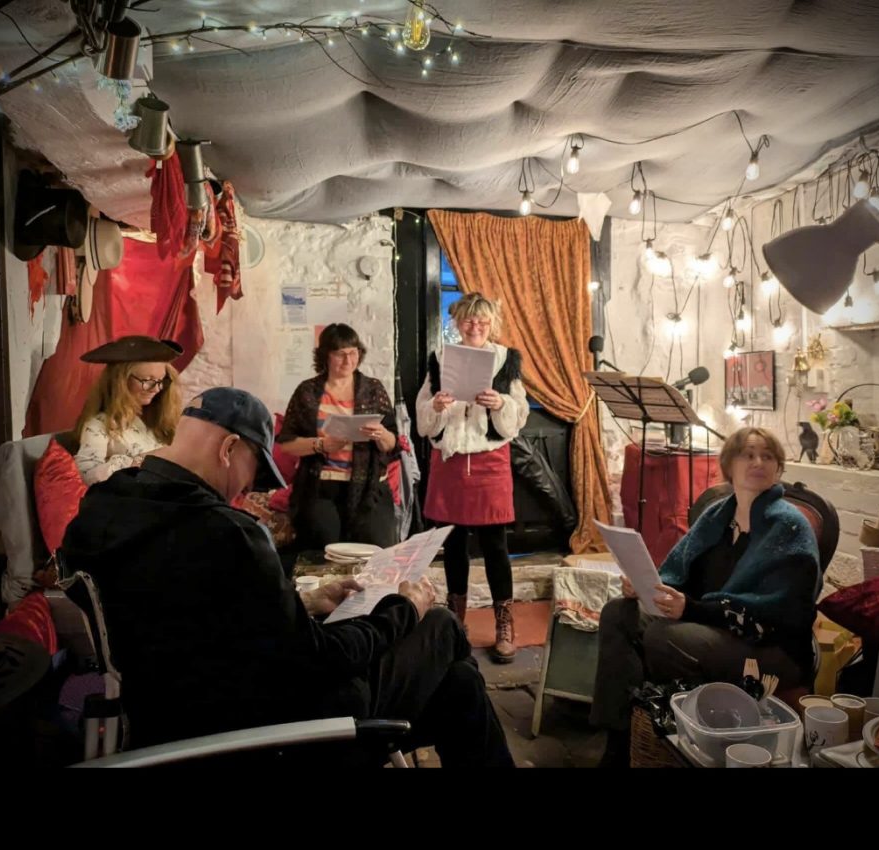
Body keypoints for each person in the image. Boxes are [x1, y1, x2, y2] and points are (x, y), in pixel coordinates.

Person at [61, 387, 512, 767]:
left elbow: (192, 604)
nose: (246, 489)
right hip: (265, 732)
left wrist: (305, 603)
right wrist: (403, 609)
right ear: (228, 449)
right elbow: (319, 660)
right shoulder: (229, 532)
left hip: (170, 716)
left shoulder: (102, 505)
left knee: (457, 686)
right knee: (440, 626)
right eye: (253, 473)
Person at [590, 426, 821, 766]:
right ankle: (620, 738)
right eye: (748, 454)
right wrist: (647, 588)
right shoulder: (717, 516)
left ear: (778, 468)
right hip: (711, 624)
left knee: (663, 637)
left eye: (767, 456)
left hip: (771, 645)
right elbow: (683, 577)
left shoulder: (789, 526)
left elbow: (782, 615)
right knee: (618, 612)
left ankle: (682, 740)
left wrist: (689, 609)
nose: (758, 462)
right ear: (729, 465)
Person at [415, 292, 529, 663]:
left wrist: (501, 404)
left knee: (495, 545)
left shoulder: (506, 359)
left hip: (489, 461)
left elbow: (519, 413)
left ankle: (504, 624)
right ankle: (455, 621)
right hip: (450, 461)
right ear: (458, 322)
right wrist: (435, 406)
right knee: (453, 544)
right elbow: (423, 413)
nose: (474, 326)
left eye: (482, 320)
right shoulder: (440, 359)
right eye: (468, 319)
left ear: (491, 323)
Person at [277, 324, 399, 550]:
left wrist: (381, 435)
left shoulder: (373, 390)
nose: (348, 360)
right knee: (323, 548)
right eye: (340, 354)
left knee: (377, 550)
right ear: (325, 355)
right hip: (320, 486)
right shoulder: (307, 392)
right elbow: (286, 444)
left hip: (369, 487)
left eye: (353, 353)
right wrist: (321, 445)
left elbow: (393, 444)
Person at [74, 335, 183, 485]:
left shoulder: (157, 419)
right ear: (121, 381)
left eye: (160, 381)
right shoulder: (98, 425)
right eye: (148, 381)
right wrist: (135, 462)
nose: (156, 389)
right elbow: (87, 477)